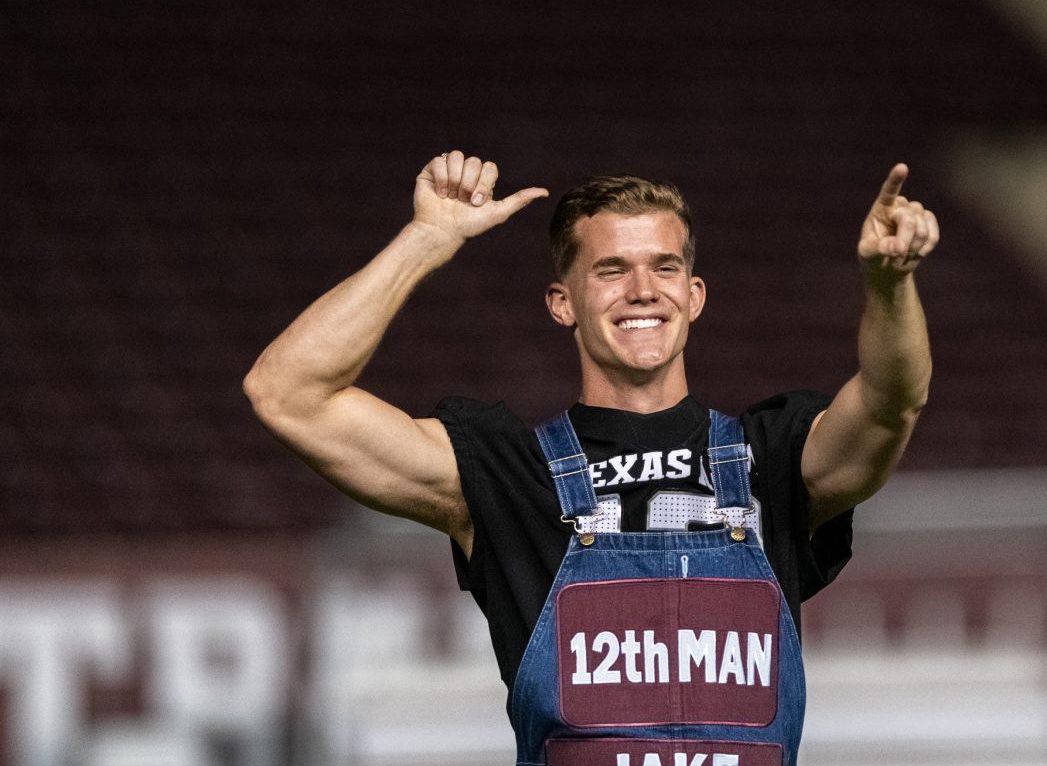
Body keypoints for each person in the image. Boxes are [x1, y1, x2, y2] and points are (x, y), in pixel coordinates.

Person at [244, 150, 935, 766]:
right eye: (611, 270)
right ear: (561, 303)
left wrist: (890, 285)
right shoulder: (509, 473)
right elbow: (287, 394)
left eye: (665, 267)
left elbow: (891, 402)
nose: (642, 290)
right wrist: (426, 240)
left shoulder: (774, 458)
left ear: (694, 297)